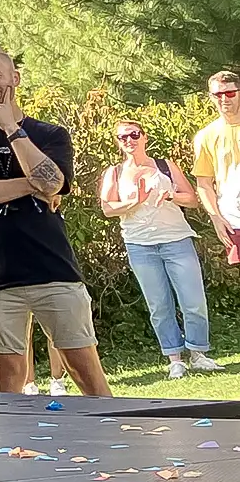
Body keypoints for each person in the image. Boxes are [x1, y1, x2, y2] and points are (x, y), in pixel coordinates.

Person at [0, 43, 112, 397]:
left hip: (53, 268)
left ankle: (118, 441)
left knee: (84, 370)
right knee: (8, 377)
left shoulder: (51, 134)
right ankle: (12, 449)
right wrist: (30, 184)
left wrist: (11, 128)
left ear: (14, 78)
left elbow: (55, 183)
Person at [100, 120, 218, 378]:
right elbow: (108, 208)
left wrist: (170, 196)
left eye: (133, 135)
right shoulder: (114, 173)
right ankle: (175, 358)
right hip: (140, 246)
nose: (129, 140)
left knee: (193, 300)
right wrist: (135, 201)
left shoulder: (164, 166)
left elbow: (193, 199)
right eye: (122, 137)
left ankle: (199, 354)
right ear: (118, 143)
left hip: (177, 240)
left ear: (144, 137)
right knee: (159, 305)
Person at [195, 69, 240, 269]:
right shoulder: (205, 136)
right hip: (233, 221)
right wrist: (215, 218)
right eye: (217, 95)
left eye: (230, 93)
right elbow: (204, 183)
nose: (224, 99)